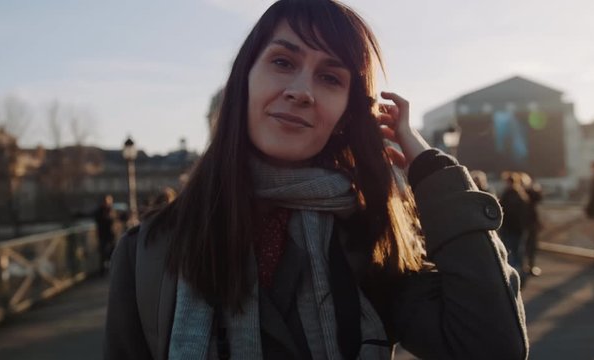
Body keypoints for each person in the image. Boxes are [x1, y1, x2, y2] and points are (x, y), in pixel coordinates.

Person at [104, 1, 527, 359]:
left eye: (330, 77)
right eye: (283, 62)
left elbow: (490, 346)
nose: (301, 90)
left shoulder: (371, 240)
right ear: (244, 81)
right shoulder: (147, 252)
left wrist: (430, 169)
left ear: (348, 112)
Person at [498, 172, 529, 275]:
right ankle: (519, 270)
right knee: (518, 250)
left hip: (510, 227)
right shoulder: (521, 195)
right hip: (517, 227)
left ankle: (512, 272)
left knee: (510, 250)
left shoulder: (506, 195)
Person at [520, 172, 543, 276]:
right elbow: (538, 199)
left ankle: (523, 266)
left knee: (523, 245)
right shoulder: (530, 193)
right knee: (530, 245)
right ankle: (529, 265)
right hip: (529, 223)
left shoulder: (517, 193)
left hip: (523, 224)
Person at [93, 194, 116, 276]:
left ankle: (110, 269)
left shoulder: (111, 210)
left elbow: (114, 222)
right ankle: (102, 271)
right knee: (103, 253)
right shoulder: (100, 211)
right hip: (103, 235)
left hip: (110, 235)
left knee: (112, 252)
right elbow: (98, 220)